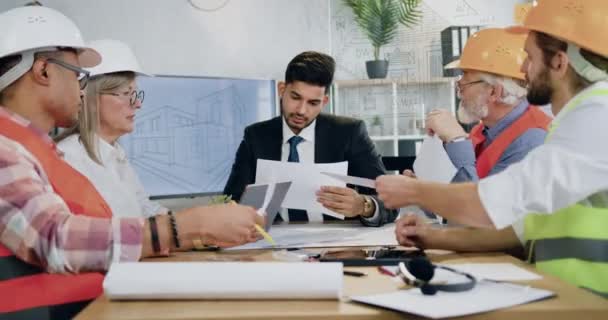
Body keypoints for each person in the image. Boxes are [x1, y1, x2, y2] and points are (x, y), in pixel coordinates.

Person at [0, 7, 260, 318]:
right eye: (78, 76)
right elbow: (54, 239)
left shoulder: (31, 149)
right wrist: (183, 229)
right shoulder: (6, 148)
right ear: (44, 71)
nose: (81, 91)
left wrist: (197, 226)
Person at [378, 0, 608, 296]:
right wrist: (432, 236)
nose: (523, 69)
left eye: (529, 56)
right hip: (569, 299)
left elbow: (499, 200)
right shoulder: (572, 123)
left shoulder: (598, 115)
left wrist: (412, 191)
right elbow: (519, 229)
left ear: (560, 63)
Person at [395, 28, 552, 257]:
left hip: (507, 269)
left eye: (465, 83)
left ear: (494, 92)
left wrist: (457, 140)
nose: (460, 91)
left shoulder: (532, 140)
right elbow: (458, 204)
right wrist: (424, 191)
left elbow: (483, 223)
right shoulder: (485, 131)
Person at [224, 51, 397, 226]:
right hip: (273, 245)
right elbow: (229, 201)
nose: (301, 110)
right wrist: (242, 206)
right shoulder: (256, 137)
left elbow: (390, 201)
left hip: (337, 245)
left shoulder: (349, 133)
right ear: (282, 90)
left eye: (313, 103)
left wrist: (364, 206)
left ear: (324, 101)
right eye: (295, 97)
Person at [55, 39, 166, 218]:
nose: (137, 103)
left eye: (136, 94)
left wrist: (193, 223)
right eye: (126, 93)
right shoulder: (68, 158)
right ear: (90, 97)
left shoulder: (114, 153)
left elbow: (143, 208)